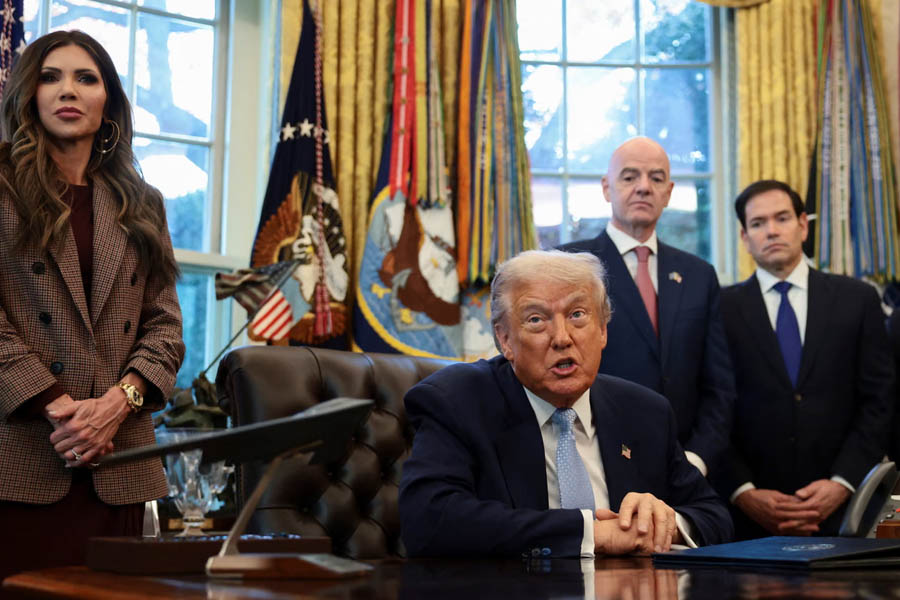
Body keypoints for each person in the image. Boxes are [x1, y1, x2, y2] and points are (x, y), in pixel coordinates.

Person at [399, 250, 732, 558]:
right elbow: (429, 521)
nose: (562, 337)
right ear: (504, 339)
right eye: (536, 320)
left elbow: (714, 516)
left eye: (577, 314)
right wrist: (593, 534)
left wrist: (663, 525)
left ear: (602, 329)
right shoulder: (456, 401)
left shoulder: (645, 411)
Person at [0, 30, 185, 578]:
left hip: (120, 463)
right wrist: (57, 405)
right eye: (51, 77)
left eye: (87, 78)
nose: (68, 90)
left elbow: (166, 327)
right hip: (21, 458)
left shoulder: (142, 201)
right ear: (30, 93)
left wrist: (115, 406)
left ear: (109, 102)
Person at [715, 179, 893, 539]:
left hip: (847, 510)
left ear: (803, 225)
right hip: (748, 520)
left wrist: (843, 482)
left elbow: (881, 401)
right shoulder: (719, 309)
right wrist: (744, 492)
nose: (772, 231)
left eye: (782, 218)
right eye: (758, 223)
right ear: (744, 237)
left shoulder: (857, 299)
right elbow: (711, 409)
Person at [559, 137, 734, 478]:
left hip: (684, 467)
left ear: (668, 193)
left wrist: (696, 459)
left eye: (655, 178)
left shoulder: (699, 274)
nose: (643, 187)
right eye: (629, 177)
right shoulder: (569, 266)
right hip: (595, 464)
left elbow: (719, 387)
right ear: (607, 188)